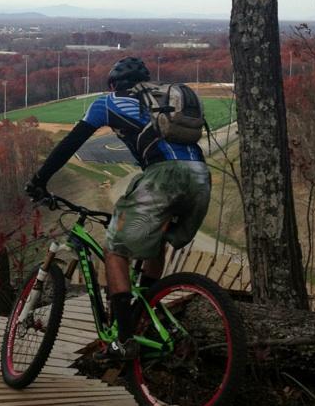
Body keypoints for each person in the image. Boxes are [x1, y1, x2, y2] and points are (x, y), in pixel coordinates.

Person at [26, 56, 211, 360]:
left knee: (115, 250)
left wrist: (39, 181)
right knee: (157, 241)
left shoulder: (108, 103)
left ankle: (123, 340)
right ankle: (144, 309)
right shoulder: (162, 101)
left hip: (163, 176)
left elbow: (70, 144)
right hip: (201, 177)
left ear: (113, 84)